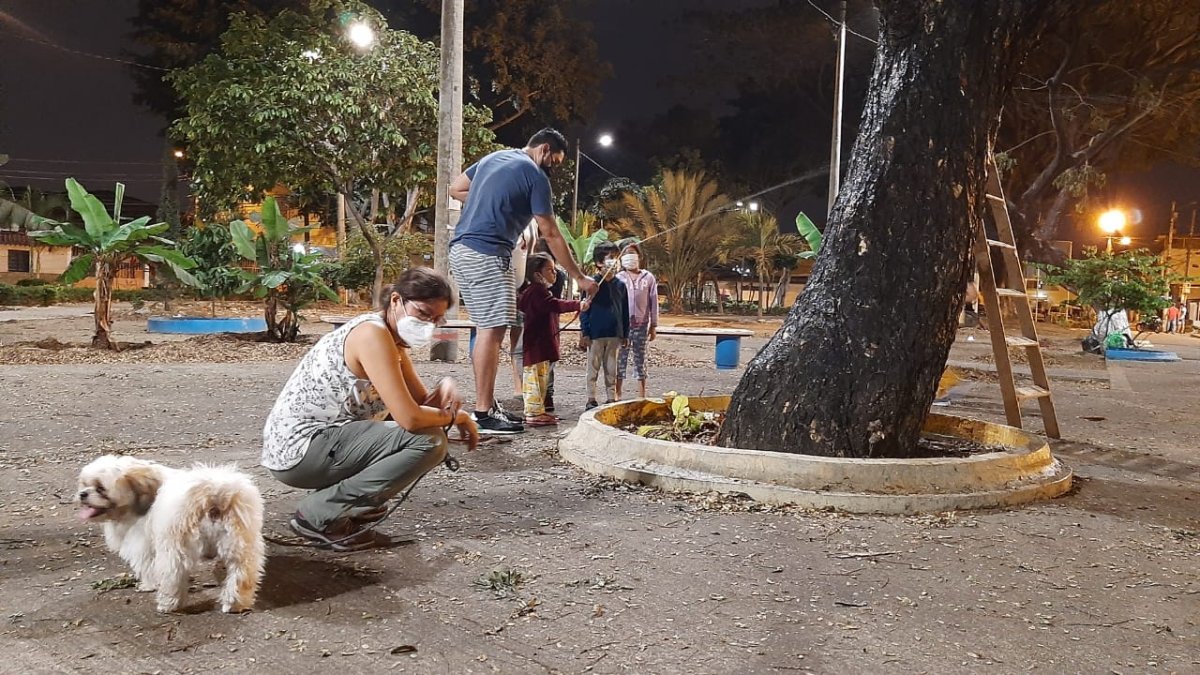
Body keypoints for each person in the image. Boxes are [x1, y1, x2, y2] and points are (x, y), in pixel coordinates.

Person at [261, 268, 479, 551]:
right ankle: (320, 514)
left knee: (426, 432)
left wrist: (445, 386)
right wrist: (457, 417)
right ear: (396, 300)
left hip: (314, 445)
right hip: (300, 449)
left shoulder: (391, 340)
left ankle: (345, 507)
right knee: (429, 441)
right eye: (423, 314)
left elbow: (420, 405)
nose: (428, 325)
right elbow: (411, 419)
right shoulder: (371, 335)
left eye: (436, 319)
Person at [449, 128, 598, 435]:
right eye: (555, 161)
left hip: (461, 251)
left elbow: (456, 189)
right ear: (544, 150)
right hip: (488, 253)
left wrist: (496, 205)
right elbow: (551, 232)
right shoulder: (535, 174)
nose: (553, 168)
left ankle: (487, 406)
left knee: (487, 328)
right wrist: (579, 277)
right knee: (492, 330)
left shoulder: (494, 157)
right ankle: (482, 413)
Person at [518, 253, 589, 426]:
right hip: (536, 345)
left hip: (540, 345)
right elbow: (555, 304)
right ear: (537, 274)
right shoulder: (537, 292)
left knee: (541, 378)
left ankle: (538, 410)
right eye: (550, 270)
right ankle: (533, 413)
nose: (555, 273)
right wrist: (577, 305)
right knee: (535, 379)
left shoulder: (536, 291)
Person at [580, 242, 629, 409]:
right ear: (599, 262)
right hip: (595, 333)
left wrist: (625, 333)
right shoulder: (591, 284)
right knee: (593, 367)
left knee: (611, 368)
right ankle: (591, 398)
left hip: (614, 333)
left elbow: (625, 310)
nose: (615, 261)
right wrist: (585, 331)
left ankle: (610, 398)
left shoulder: (621, 285)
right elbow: (584, 310)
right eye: (611, 258)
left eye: (616, 257)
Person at [615, 242, 659, 399]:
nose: (629, 256)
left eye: (632, 253)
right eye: (626, 253)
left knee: (640, 359)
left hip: (641, 326)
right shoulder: (618, 278)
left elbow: (654, 302)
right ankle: (617, 393)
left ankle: (641, 395)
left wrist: (653, 325)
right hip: (622, 327)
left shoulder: (648, 278)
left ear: (639, 256)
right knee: (620, 359)